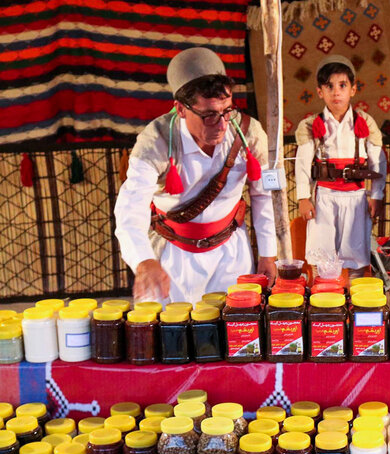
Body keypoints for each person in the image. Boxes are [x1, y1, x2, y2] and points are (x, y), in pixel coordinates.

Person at [115, 47, 277, 303]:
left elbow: (264, 194)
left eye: (226, 110)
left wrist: (268, 253)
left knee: (232, 332)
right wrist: (144, 262)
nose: (222, 124)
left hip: (231, 256)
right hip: (171, 258)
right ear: (180, 109)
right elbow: (129, 209)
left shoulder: (248, 133)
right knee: (170, 333)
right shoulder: (156, 141)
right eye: (209, 115)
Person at [295, 56, 386, 279]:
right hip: (324, 198)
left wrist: (376, 195)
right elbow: (303, 163)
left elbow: (378, 161)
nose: (336, 92)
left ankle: (354, 298)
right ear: (320, 92)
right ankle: (325, 301)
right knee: (322, 249)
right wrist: (303, 197)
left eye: (342, 85)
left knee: (355, 249)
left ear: (353, 90)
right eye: (330, 86)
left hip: (355, 197)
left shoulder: (364, 122)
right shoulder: (310, 125)